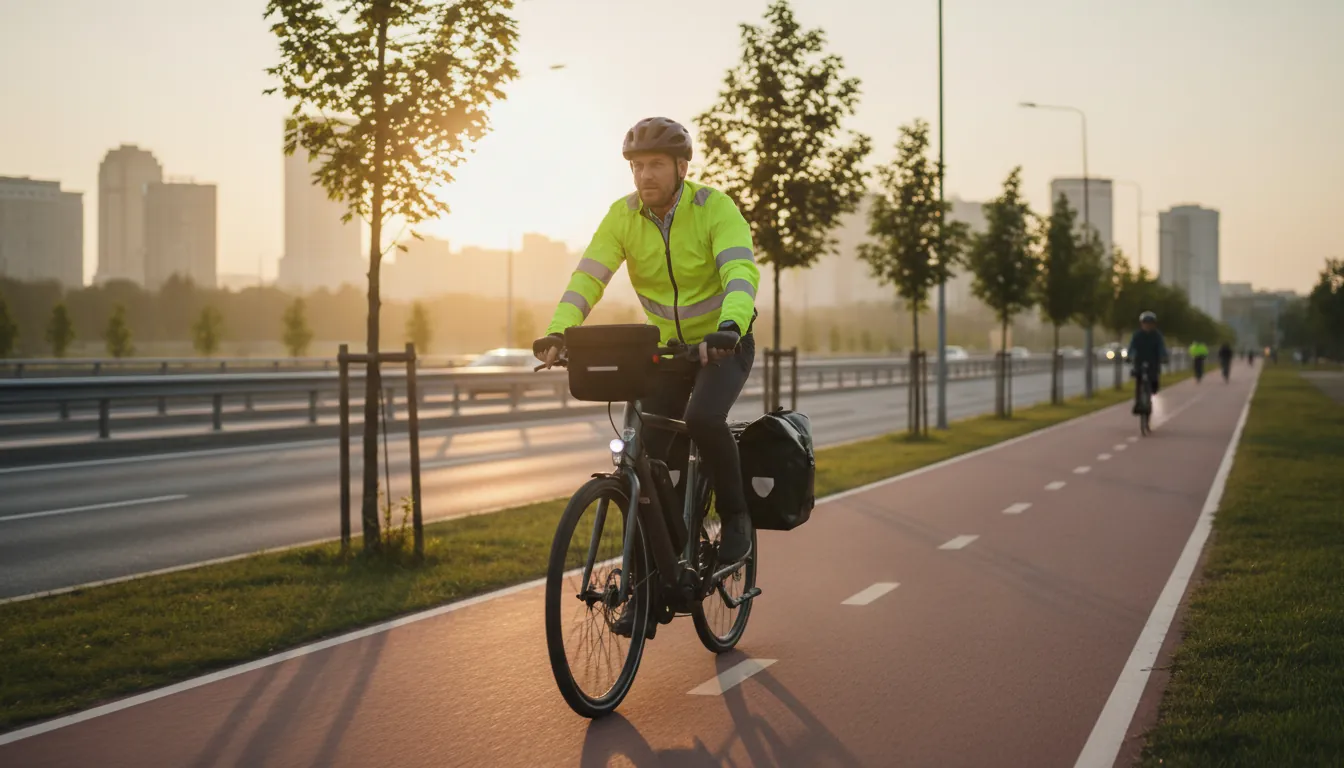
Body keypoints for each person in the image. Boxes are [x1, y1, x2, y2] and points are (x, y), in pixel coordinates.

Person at [533, 117, 760, 574]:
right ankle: (660, 561)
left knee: (702, 419)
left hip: (723, 346)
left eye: (656, 164)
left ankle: (736, 517)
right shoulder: (623, 215)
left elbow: (740, 272)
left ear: (681, 166)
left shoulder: (714, 208)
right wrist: (559, 330)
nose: (645, 175)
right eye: (637, 166)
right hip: (672, 352)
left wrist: (731, 327)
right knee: (646, 453)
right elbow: (589, 277)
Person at [1128, 311, 1169, 413]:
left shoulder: (1157, 335)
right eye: (1145, 323)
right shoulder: (1137, 335)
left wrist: (1163, 357)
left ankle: (1150, 392)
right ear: (1141, 324)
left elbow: (1161, 347)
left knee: (1154, 382)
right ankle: (1138, 403)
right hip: (1139, 361)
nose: (1148, 325)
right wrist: (1130, 356)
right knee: (1139, 381)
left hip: (1153, 361)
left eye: (1150, 323)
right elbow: (1132, 347)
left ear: (1154, 324)